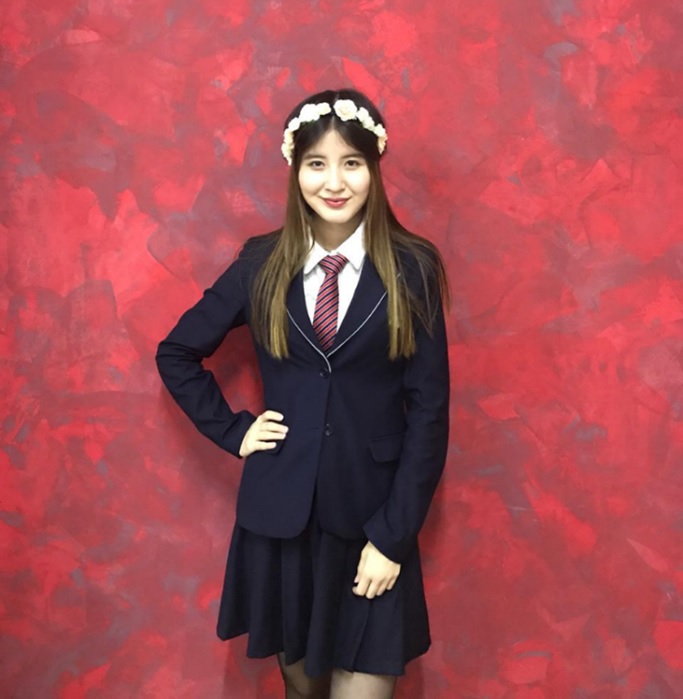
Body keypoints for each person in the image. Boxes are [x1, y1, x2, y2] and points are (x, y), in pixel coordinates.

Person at [155, 88, 450, 699]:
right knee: (301, 692)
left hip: (372, 523)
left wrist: (393, 537)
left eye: (351, 163)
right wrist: (235, 431)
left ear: (374, 168)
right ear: (295, 169)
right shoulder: (260, 262)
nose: (334, 182)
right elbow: (176, 352)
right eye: (317, 163)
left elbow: (429, 413)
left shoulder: (413, 267)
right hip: (282, 523)